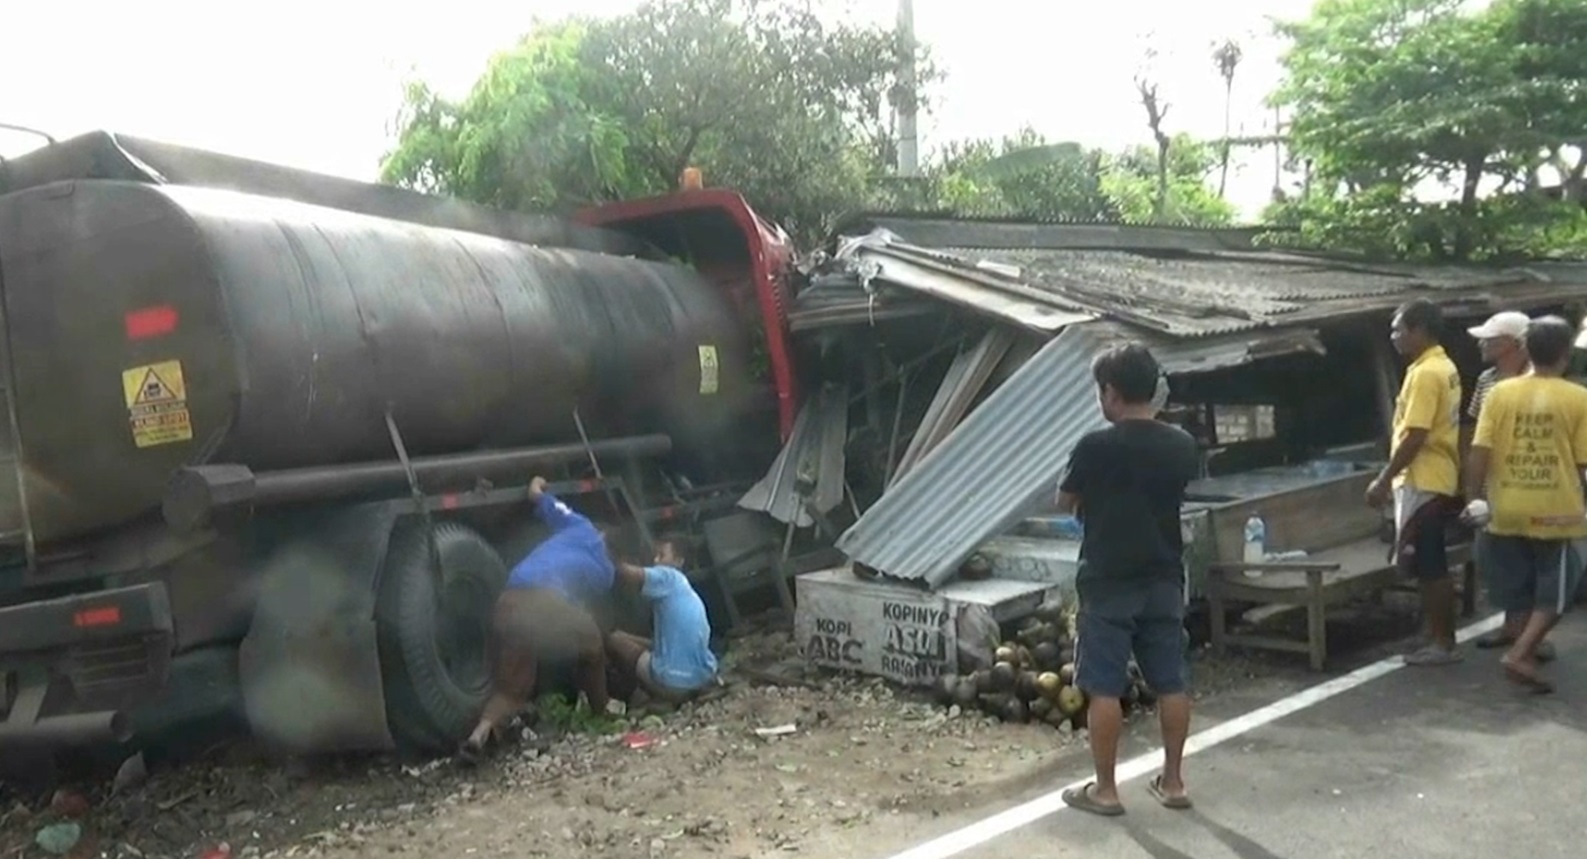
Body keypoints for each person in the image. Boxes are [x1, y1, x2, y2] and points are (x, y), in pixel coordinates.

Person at [1055, 341, 1200, 817]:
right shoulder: (1181, 444)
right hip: (1162, 573)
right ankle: (1174, 782)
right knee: (1171, 681)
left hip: (1108, 576)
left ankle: (1106, 790)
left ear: (1111, 392)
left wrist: (1091, 504)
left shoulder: (1096, 446)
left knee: (1104, 686)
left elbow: (1066, 499)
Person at [1462, 316, 1587, 694]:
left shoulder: (1499, 393)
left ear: (1526, 350)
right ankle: (1521, 650)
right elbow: (1583, 465)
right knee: (1558, 589)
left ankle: (1523, 642)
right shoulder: (1579, 398)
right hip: (1556, 511)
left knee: (1516, 584)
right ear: (1566, 354)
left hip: (1506, 507)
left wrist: (1474, 499)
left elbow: (1479, 451)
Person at [460, 476, 618, 762]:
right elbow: (577, 606)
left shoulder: (580, 525)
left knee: (513, 687)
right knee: (593, 642)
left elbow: (536, 494)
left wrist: (536, 482)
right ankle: (601, 710)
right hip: (541, 604)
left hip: (507, 601)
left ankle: (478, 734)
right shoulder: (606, 572)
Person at [1366, 299, 1464, 666]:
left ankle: (1443, 642)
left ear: (1420, 329)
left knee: (1429, 562)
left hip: (1424, 477)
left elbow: (1416, 434)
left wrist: (1382, 478)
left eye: (1398, 329)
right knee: (1425, 562)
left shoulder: (1425, 373)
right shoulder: (1442, 365)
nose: (1394, 336)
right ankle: (1435, 632)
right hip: (1437, 475)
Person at [1462, 311, 1553, 661]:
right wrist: (1471, 486)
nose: (1483, 344)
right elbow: (1473, 435)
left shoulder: (1539, 382)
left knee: (1534, 559)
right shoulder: (1486, 380)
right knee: (1500, 561)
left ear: (1515, 345)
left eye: (1491, 339)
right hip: (1492, 482)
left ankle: (1531, 633)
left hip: (1531, 482)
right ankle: (1513, 625)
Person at [606, 537, 720, 704]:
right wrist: (628, 637)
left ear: (678, 561)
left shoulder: (669, 577)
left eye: (661, 555)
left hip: (673, 685)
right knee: (621, 636)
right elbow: (662, 646)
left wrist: (604, 554)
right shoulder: (686, 591)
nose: (655, 561)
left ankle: (636, 696)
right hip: (702, 679)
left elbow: (627, 573)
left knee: (613, 640)